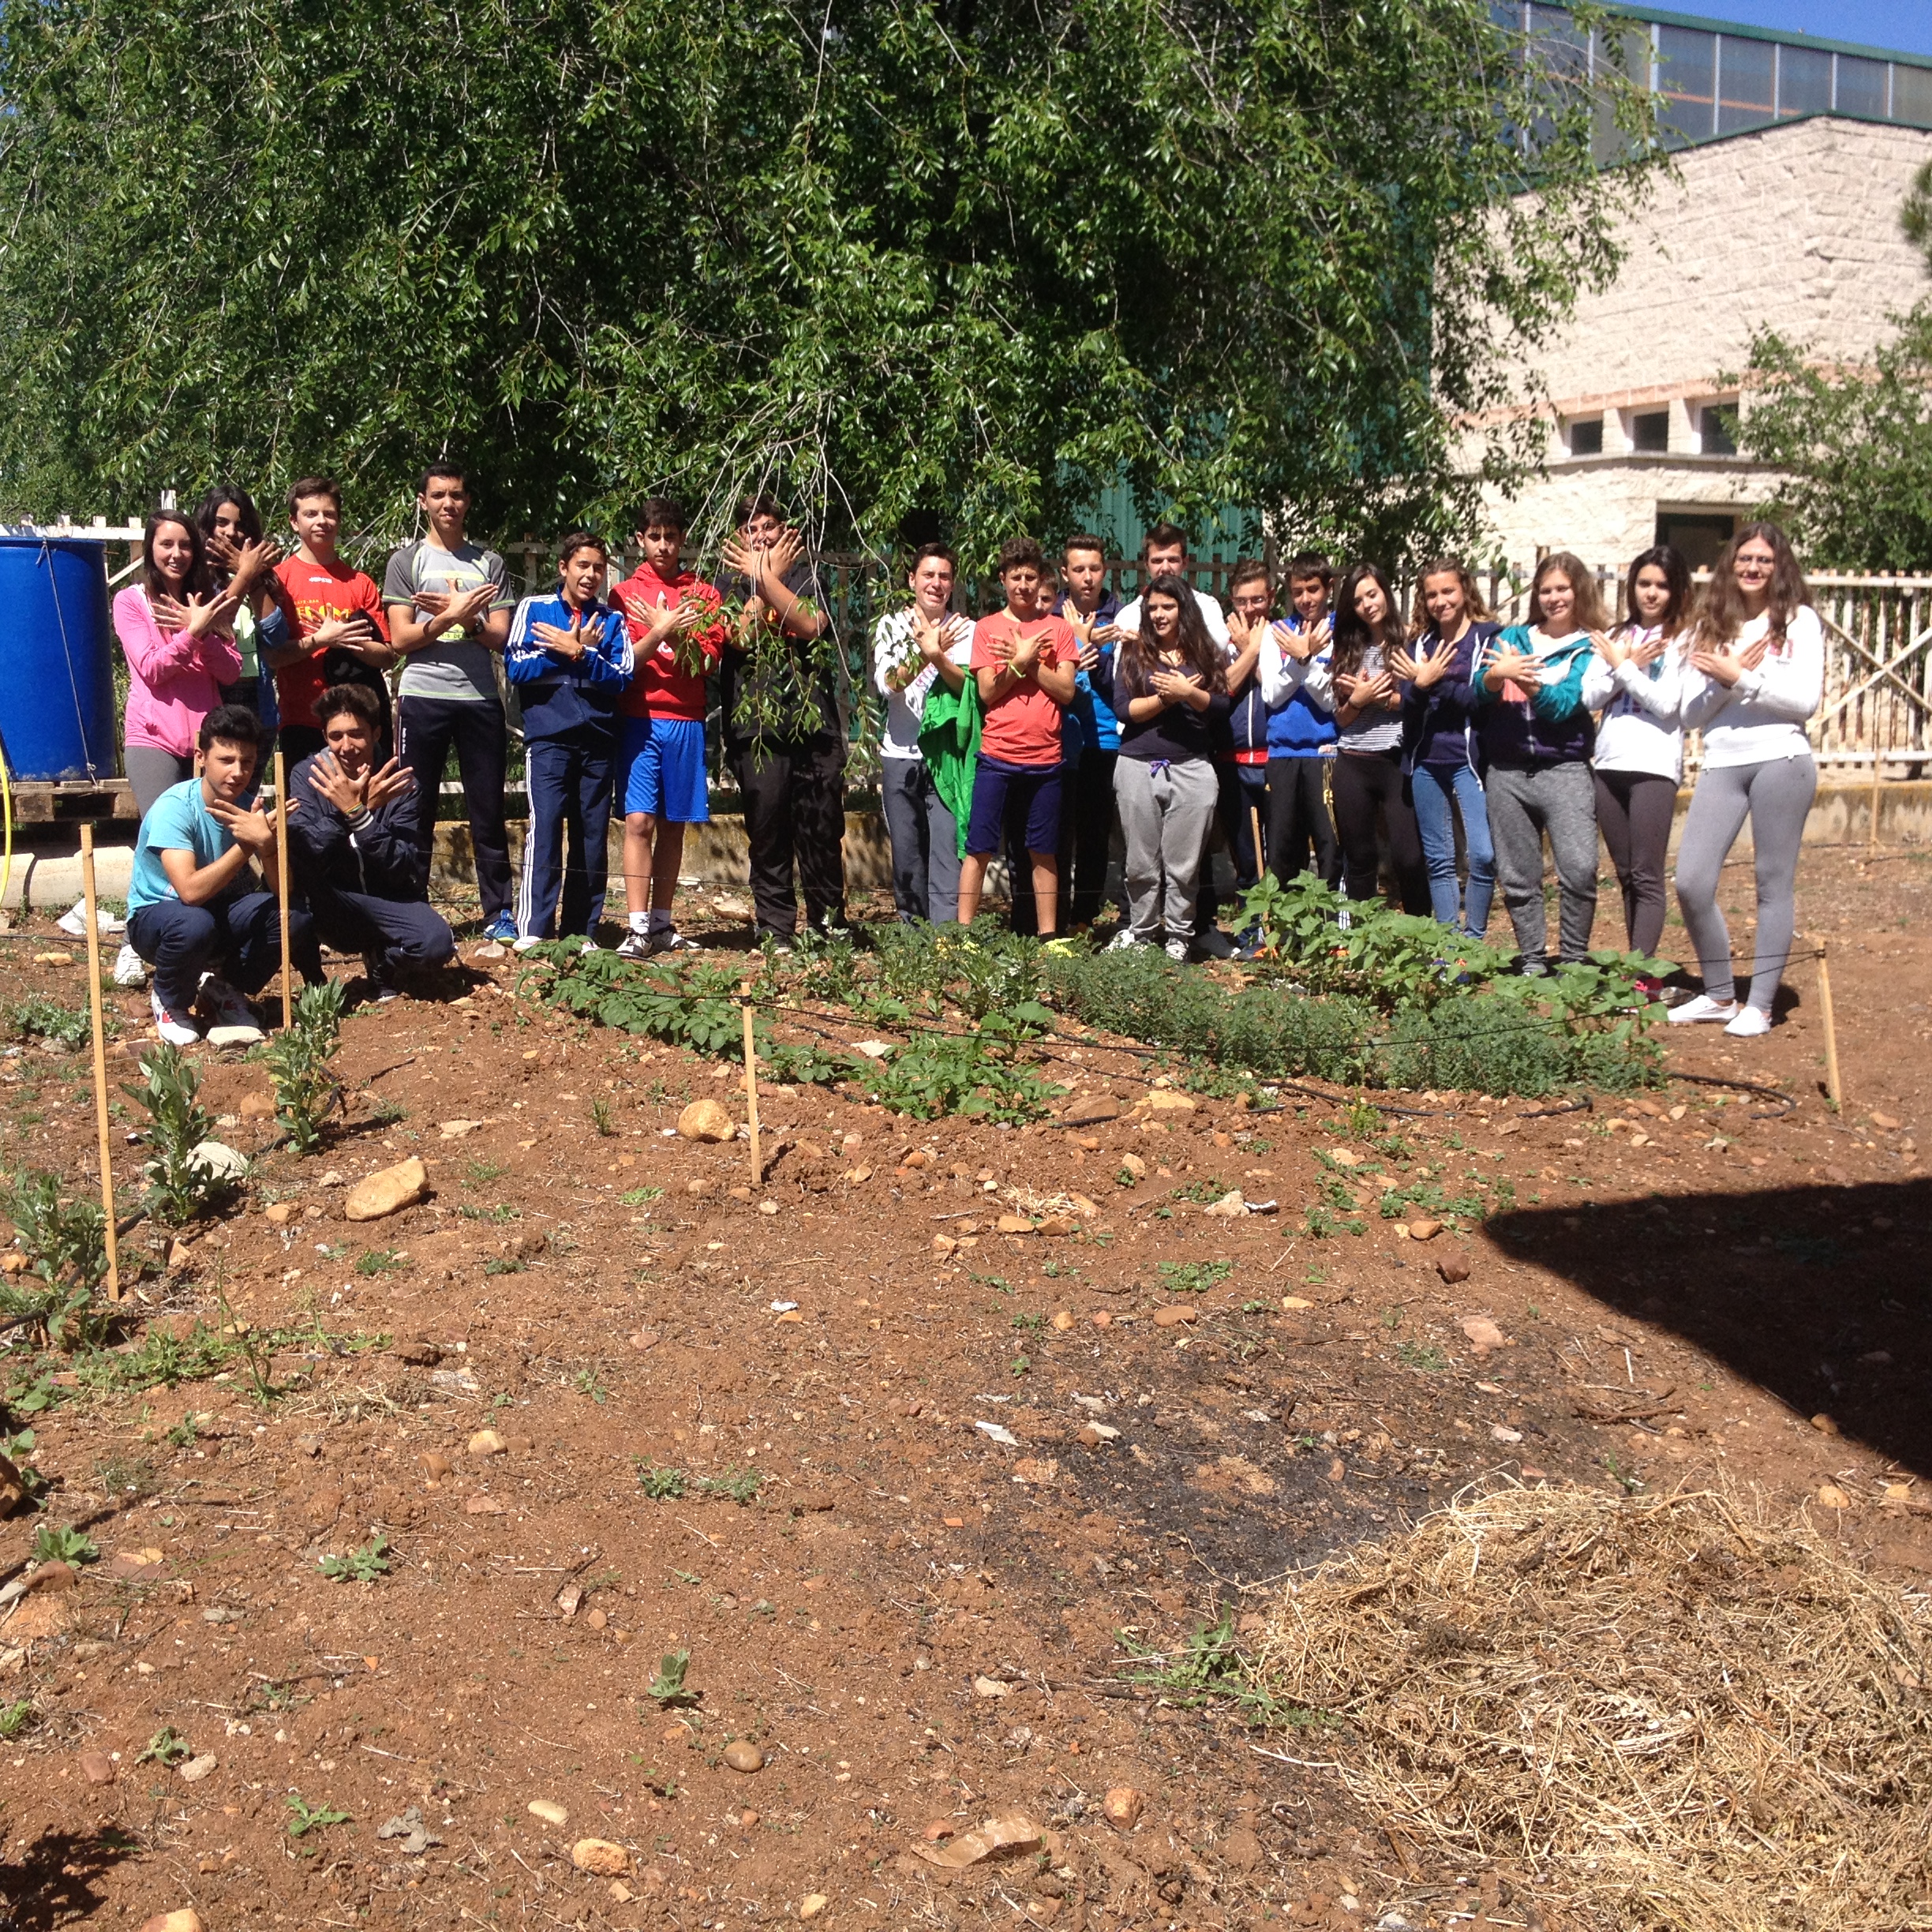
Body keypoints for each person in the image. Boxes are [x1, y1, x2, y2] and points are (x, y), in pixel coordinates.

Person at [1669, 522, 1824, 1036]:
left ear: (1779, 568)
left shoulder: (1799, 622)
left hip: (1782, 758)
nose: (1753, 567)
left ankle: (1759, 1004)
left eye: (1763, 560)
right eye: (1745, 559)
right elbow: (1690, 714)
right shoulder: (1709, 624)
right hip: (1722, 761)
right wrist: (1722, 681)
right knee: (1691, 880)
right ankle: (1718, 995)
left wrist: (1744, 679)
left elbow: (1805, 702)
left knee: (1771, 883)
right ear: (1730, 565)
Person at [125, 704, 320, 1046]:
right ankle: (169, 998)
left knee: (293, 917)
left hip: (216, 913)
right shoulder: (175, 808)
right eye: (226, 760)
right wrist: (247, 846)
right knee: (194, 923)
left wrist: (268, 846)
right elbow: (190, 892)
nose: (237, 772)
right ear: (201, 757)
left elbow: (284, 891)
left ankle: (223, 988)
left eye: (246, 762)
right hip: (158, 918)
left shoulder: (248, 806)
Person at [383, 465, 519, 943]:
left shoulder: (490, 563)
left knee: (488, 809)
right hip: (422, 698)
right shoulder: (406, 561)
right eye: (438, 495)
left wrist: (471, 620)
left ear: (467, 502)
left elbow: (501, 635)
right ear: (423, 501)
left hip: (479, 699)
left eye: (456, 495)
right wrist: (448, 619)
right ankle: (411, 907)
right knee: (413, 809)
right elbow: (400, 638)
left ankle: (498, 911)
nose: (448, 504)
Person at [715, 496, 848, 947]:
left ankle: (829, 925)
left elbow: (811, 624)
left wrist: (767, 577)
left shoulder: (807, 573)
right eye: (752, 530)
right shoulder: (727, 580)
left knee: (823, 826)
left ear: (785, 530)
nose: (762, 537)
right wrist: (759, 581)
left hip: (814, 725)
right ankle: (775, 928)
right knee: (768, 829)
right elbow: (742, 634)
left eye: (769, 526)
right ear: (739, 538)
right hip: (757, 729)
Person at [610, 498, 732, 956]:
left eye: (671, 536)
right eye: (654, 537)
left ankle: (662, 923)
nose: (663, 545)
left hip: (686, 719)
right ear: (641, 540)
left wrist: (669, 628)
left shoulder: (703, 594)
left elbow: (705, 662)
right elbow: (620, 661)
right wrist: (657, 631)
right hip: (639, 717)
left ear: (682, 540)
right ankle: (637, 925)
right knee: (638, 820)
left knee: (674, 824)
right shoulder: (623, 594)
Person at [1473, 551, 1602, 970]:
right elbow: (1478, 694)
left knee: (1580, 868)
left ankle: (1574, 959)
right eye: (1545, 590)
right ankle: (1532, 957)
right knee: (1517, 874)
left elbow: (1567, 705)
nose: (1553, 597)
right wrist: (1495, 677)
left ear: (1578, 591)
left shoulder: (1589, 646)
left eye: (1562, 588)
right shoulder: (1512, 638)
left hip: (1564, 769)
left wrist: (1526, 683)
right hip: (1507, 771)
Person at [504, 532, 633, 948]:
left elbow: (621, 679)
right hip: (549, 739)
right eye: (583, 565)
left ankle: (581, 931)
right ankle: (535, 930)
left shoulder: (612, 620)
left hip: (598, 741)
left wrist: (582, 653)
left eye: (598, 567)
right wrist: (562, 649)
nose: (591, 574)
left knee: (591, 836)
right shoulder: (534, 609)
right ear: (563, 567)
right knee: (545, 830)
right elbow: (516, 667)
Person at [286, 684, 455, 1000]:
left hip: (387, 897)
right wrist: (353, 811)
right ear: (324, 737)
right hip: (332, 900)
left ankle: (385, 965)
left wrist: (362, 818)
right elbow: (305, 849)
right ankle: (315, 982)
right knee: (289, 898)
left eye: (357, 734)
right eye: (336, 736)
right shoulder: (307, 776)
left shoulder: (400, 782)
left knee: (436, 944)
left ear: (377, 733)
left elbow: (403, 865)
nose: (346, 746)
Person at [957, 537, 1078, 937]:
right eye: (1015, 577)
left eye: (1030, 576)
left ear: (1041, 578)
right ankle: (964, 934)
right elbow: (988, 692)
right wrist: (1017, 660)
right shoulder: (988, 629)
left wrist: (1028, 664)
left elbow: (1065, 691)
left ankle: (1049, 936)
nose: (1024, 584)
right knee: (979, 849)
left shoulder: (1058, 629)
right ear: (1003, 580)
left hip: (1047, 761)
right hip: (997, 758)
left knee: (1044, 851)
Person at [1581, 546, 1692, 974]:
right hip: (1609, 765)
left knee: (1647, 876)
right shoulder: (1617, 633)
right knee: (1625, 874)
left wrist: (1624, 668)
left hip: (1653, 767)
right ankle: (1635, 966)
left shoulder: (1682, 639)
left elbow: (1668, 704)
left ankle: (1641, 979)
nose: (1651, 593)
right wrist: (1621, 663)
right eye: (1644, 584)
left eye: (1662, 586)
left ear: (1675, 590)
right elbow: (1589, 695)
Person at [1109, 575, 1231, 958]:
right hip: (1137, 764)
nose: (1159, 614)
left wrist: (1188, 693)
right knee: (1140, 862)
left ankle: (1179, 937)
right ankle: (1142, 933)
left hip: (1192, 766)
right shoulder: (1134, 651)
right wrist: (1167, 699)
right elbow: (1124, 710)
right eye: (1154, 607)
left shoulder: (1206, 651)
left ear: (1183, 609)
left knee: (1184, 863)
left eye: (1168, 606)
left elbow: (1220, 705)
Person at [1392, 559, 1499, 940]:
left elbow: (1480, 700)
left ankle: (1474, 941)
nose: (1441, 601)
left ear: (1465, 591)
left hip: (1470, 762)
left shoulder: (1489, 638)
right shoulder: (1420, 644)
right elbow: (1408, 704)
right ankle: (1448, 948)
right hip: (1425, 763)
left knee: (1483, 856)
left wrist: (1431, 683)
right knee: (1439, 860)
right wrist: (1420, 686)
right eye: (1432, 594)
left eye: (1448, 591)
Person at [117, 507, 243, 817]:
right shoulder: (131, 602)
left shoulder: (209, 601)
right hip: (153, 740)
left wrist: (202, 628)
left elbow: (230, 671)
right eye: (167, 545)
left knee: (209, 840)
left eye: (185, 545)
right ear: (150, 548)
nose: (177, 554)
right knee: (168, 838)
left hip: (208, 742)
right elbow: (152, 668)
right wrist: (193, 632)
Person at [872, 542, 974, 923]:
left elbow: (968, 688)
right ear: (912, 579)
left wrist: (939, 655)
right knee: (908, 853)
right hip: (901, 754)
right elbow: (888, 685)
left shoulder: (966, 629)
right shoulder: (891, 626)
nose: (936, 583)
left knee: (947, 850)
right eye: (928, 575)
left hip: (947, 757)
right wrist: (925, 653)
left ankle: (946, 938)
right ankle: (913, 938)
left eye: (944, 576)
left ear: (952, 583)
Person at [268, 477, 398, 766]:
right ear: (293, 522)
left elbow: (387, 656)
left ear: (338, 521)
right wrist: (320, 640)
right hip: (301, 718)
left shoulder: (359, 583)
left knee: (364, 807)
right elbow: (273, 657)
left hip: (355, 724)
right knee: (304, 809)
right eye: (311, 514)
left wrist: (349, 642)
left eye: (329, 514)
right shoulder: (278, 580)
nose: (321, 521)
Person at [1324, 563, 1429, 913]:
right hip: (1353, 761)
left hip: (1396, 761)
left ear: (1385, 592)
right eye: (1358, 600)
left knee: (1409, 856)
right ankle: (1361, 942)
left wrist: (1384, 698)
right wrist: (1358, 700)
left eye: (1372, 594)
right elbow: (1341, 717)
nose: (1368, 604)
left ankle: (1422, 938)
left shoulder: (1410, 642)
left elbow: (1421, 703)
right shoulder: (1348, 647)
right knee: (1360, 857)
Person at [1258, 552, 1340, 886]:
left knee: (1330, 848)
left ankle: (1335, 930)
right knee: (1281, 850)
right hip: (1282, 755)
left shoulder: (1341, 631)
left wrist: (1302, 660)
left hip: (1326, 754)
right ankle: (1282, 931)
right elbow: (1271, 695)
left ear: (1329, 588)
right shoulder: (1276, 632)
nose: (1306, 599)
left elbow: (1333, 700)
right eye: (1298, 591)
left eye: (1313, 589)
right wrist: (1302, 660)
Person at [1058, 535, 1126, 928]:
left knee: (1095, 835)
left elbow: (1123, 679)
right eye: (1079, 570)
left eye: (1094, 569)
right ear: (1065, 573)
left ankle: (1084, 918)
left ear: (1105, 572)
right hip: (1061, 741)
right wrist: (1075, 642)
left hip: (1105, 739)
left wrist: (1092, 649)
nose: (1087, 578)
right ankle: (1055, 918)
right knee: (1058, 835)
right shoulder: (1050, 617)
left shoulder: (1121, 618)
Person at [193, 485, 294, 731]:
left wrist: (251, 577)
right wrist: (245, 574)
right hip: (211, 701)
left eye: (239, 525)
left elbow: (277, 637)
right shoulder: (195, 577)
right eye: (222, 523)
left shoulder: (264, 576)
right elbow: (219, 627)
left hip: (258, 703)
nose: (231, 532)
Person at [1208, 560, 1271, 937]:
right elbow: (1221, 690)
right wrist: (1247, 650)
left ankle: (1282, 930)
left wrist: (1259, 651)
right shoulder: (1222, 643)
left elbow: (1280, 693)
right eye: (1241, 601)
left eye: (1257, 600)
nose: (1249, 609)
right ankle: (1252, 932)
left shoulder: (1284, 637)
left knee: (1276, 853)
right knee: (1245, 855)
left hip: (1272, 759)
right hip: (1231, 760)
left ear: (1271, 598)